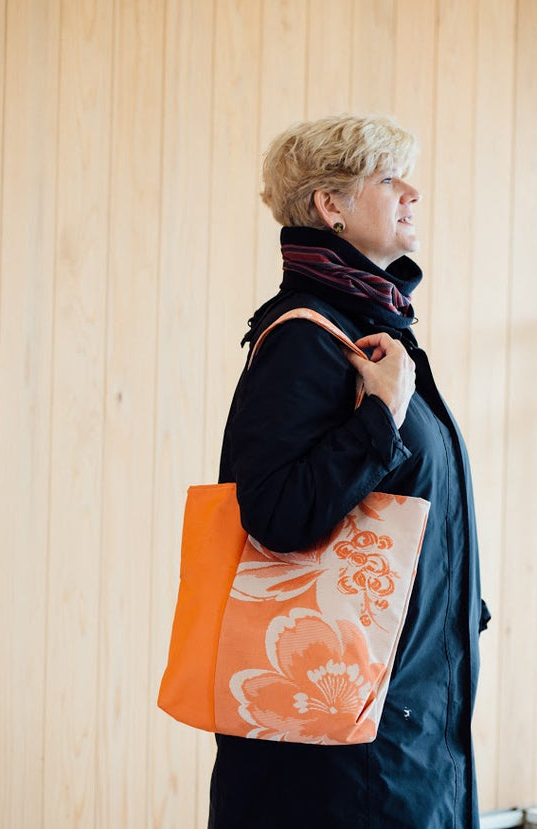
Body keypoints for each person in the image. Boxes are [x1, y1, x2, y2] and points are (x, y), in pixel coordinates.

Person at [208, 114, 490, 828]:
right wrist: (382, 415)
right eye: (390, 179)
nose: (413, 193)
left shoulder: (375, 329)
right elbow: (276, 512)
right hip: (348, 759)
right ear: (330, 205)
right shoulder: (306, 338)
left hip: (404, 720)